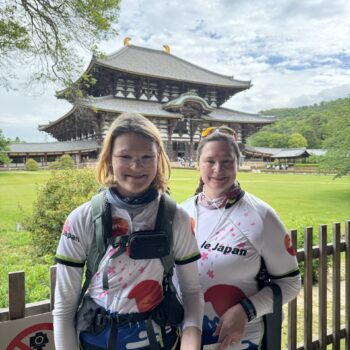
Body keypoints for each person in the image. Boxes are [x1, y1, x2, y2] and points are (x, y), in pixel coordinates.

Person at [53, 112, 204, 350]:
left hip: (160, 340)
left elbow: (192, 291)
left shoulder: (177, 219)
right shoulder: (82, 219)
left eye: (147, 156)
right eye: (125, 156)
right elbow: (64, 306)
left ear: (159, 159)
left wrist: (191, 339)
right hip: (97, 341)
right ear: (109, 160)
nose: (136, 166)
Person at [180, 126, 301, 350]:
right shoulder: (181, 214)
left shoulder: (262, 216)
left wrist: (247, 310)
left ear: (238, 163)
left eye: (227, 161)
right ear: (198, 164)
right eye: (210, 161)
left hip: (242, 343)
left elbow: (291, 283)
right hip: (184, 340)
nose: (218, 169)